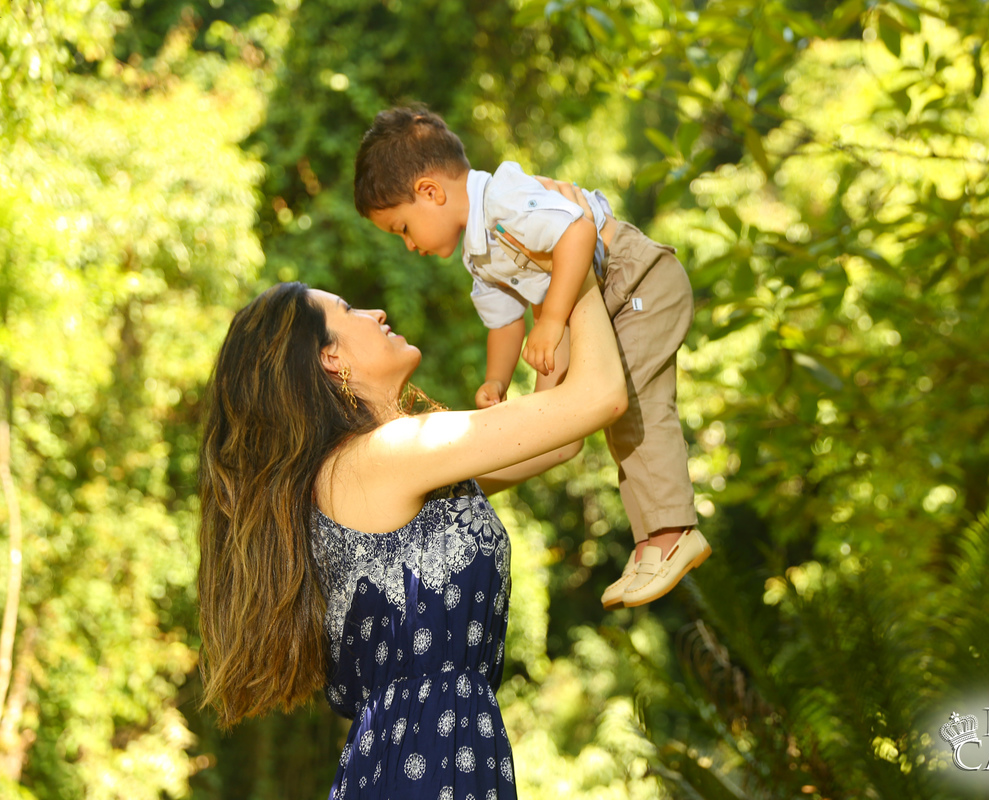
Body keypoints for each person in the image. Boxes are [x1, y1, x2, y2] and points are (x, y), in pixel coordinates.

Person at [196, 184, 627, 798]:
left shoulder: (379, 465)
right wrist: (571, 245)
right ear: (330, 360)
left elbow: (559, 440)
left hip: (425, 755)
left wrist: (551, 288)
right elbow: (600, 397)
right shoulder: (385, 456)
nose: (375, 312)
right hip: (426, 760)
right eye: (349, 310)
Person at [353, 104, 711, 609]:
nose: (409, 245)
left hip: (636, 278)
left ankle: (671, 532)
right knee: (581, 421)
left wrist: (552, 320)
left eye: (403, 229)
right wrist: (496, 380)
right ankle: (651, 538)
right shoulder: (478, 254)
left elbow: (577, 232)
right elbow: (504, 322)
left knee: (634, 403)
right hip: (599, 302)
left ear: (430, 192)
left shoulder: (502, 199)